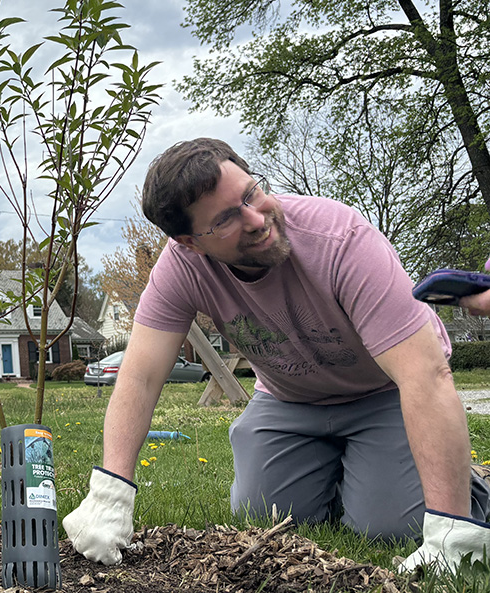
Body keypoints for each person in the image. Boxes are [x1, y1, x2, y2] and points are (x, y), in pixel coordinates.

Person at [63, 138, 489, 573]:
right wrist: (110, 494)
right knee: (261, 520)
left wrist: (452, 530)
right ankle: (359, 475)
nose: (256, 218)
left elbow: (426, 375)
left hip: (383, 392)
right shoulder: (181, 269)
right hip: (289, 400)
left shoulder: (339, 239)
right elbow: (140, 377)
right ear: (191, 242)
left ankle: (467, 491)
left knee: (390, 526)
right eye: (228, 218)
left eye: (251, 194)